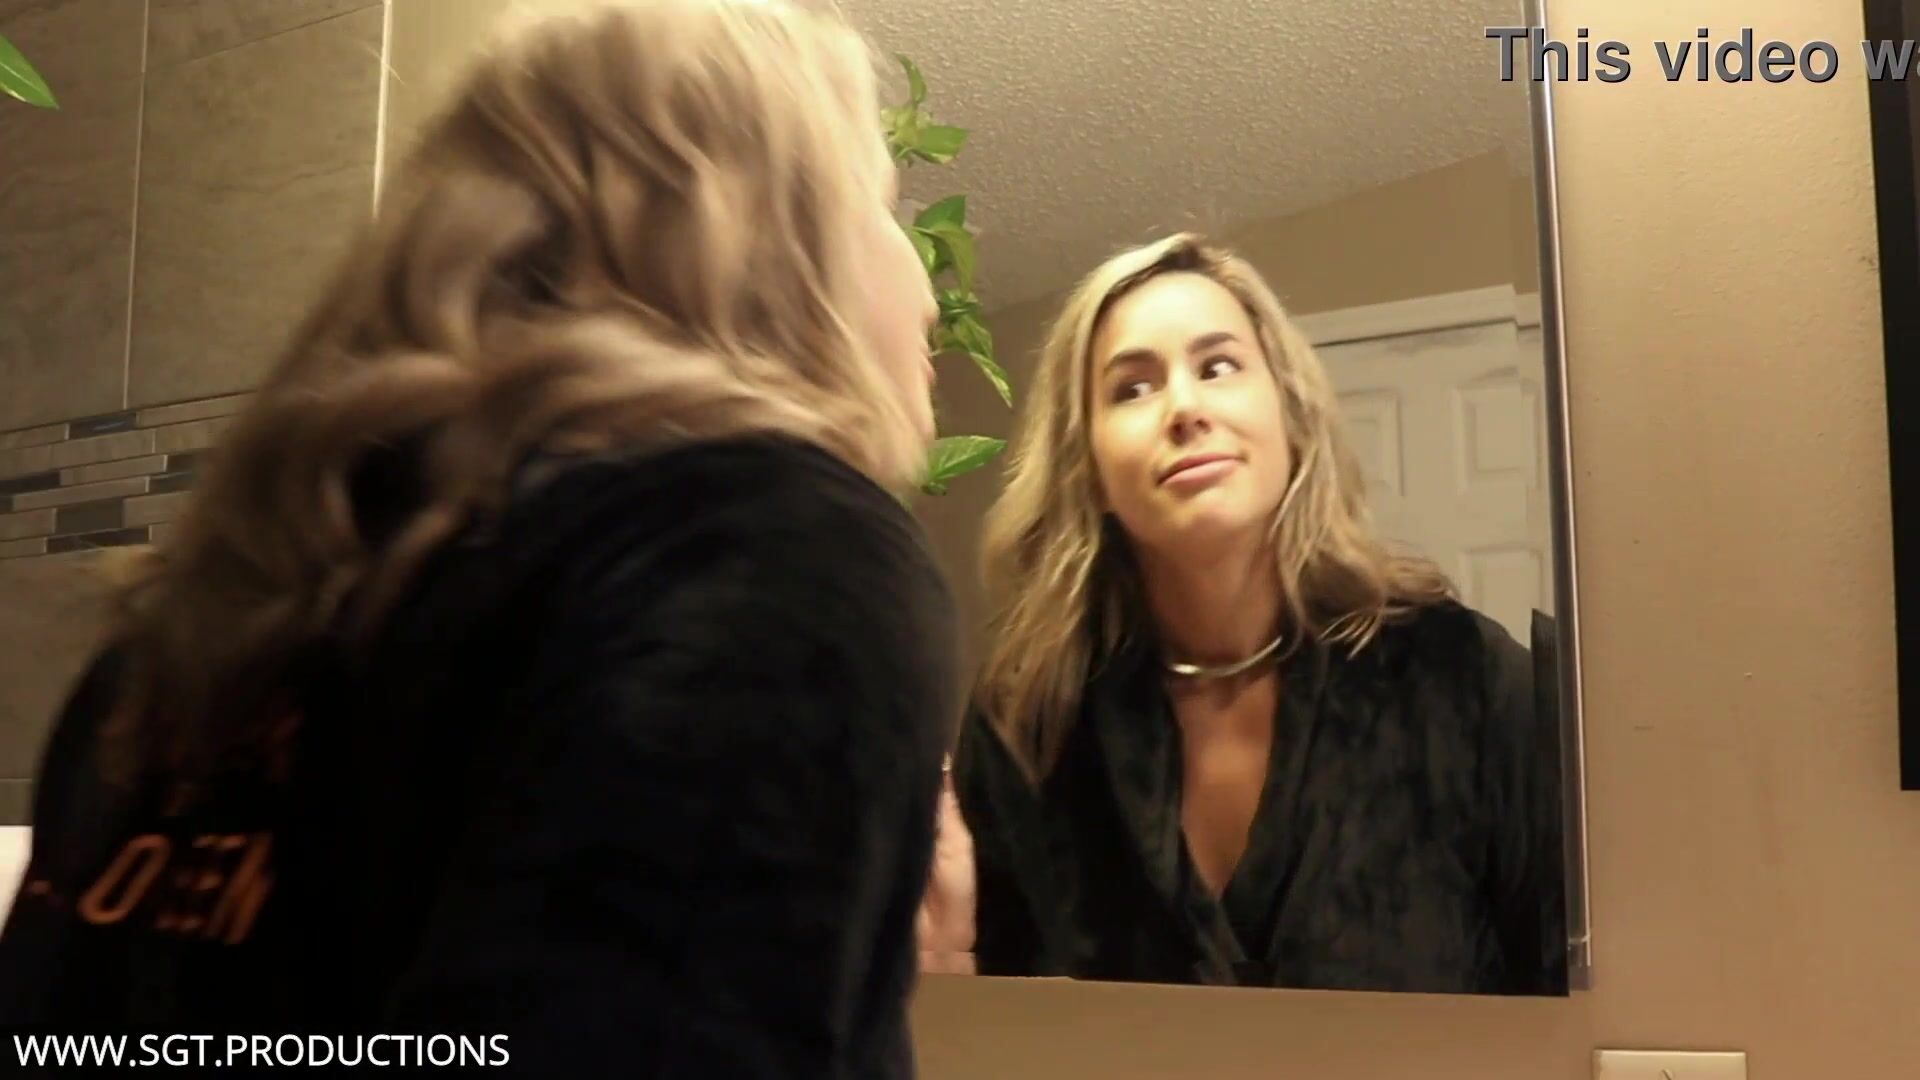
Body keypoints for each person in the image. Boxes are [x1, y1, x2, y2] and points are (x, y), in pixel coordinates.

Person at [0, 1, 965, 1075]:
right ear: (773, 245)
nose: (924, 288)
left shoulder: (191, 622)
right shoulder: (767, 552)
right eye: (881, 202)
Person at [950, 232, 1569, 996]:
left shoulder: (1467, 679)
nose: (1185, 407)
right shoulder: (1025, 722)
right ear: (1091, 468)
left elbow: (1568, 998)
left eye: (1218, 367)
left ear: (1291, 420)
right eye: (1132, 388)